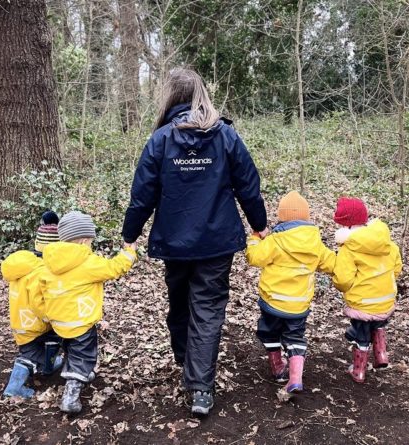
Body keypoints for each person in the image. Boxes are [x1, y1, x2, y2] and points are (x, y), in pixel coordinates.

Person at [121, 68, 267, 415]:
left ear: (170, 96)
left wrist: (129, 236)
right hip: (212, 240)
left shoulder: (166, 139)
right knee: (204, 306)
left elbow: (142, 196)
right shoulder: (222, 136)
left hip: (180, 240)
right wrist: (259, 225)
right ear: (201, 94)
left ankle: (192, 370)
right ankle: (197, 378)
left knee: (185, 300)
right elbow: (249, 185)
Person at [40, 211, 137, 413]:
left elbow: (41, 287)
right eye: (91, 240)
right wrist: (129, 252)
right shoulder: (87, 261)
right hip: (81, 322)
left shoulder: (49, 261)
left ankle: (79, 371)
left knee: (71, 348)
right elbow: (114, 268)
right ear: (84, 240)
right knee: (84, 355)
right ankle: (71, 395)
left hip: (58, 321)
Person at [245, 191, 336, 393]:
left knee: (269, 332)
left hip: (273, 303)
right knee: (296, 337)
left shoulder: (275, 240)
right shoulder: (315, 243)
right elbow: (332, 264)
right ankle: (295, 378)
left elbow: (254, 257)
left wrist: (254, 238)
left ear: (281, 216)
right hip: (299, 305)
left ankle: (278, 368)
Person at [332, 197, 402, 384]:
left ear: (345, 227)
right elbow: (396, 269)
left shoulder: (349, 249)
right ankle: (381, 355)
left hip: (362, 304)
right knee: (379, 324)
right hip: (385, 299)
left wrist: (339, 283)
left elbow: (343, 280)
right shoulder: (388, 244)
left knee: (361, 335)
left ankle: (358, 371)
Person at [0, 210, 64, 398]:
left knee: (39, 348)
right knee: (30, 354)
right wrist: (52, 317)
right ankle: (14, 388)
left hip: (21, 322)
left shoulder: (23, 267)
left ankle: (48, 365)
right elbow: (39, 303)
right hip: (35, 325)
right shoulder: (40, 272)